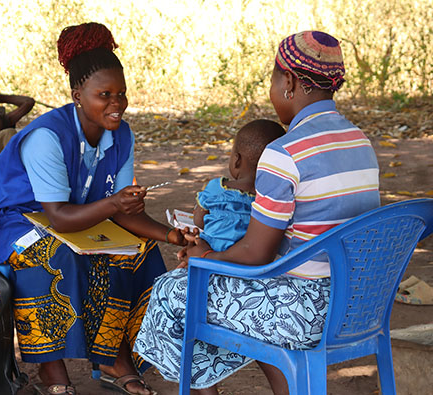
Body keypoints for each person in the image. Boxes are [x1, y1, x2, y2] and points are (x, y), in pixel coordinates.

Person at [134, 31, 381, 395]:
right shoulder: (360, 142)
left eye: (273, 79)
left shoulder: (284, 153)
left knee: (173, 292)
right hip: (359, 304)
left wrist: (207, 256)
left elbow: (255, 254)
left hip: (305, 314)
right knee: (243, 289)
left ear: (289, 83)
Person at [0, 22, 185, 395]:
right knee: (55, 254)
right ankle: (52, 369)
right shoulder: (47, 137)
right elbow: (61, 217)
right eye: (104, 94)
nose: (116, 104)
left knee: (138, 251)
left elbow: (123, 212)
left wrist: (171, 234)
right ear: (77, 94)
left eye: (121, 93)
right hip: (13, 221)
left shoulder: (121, 135)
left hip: (75, 216)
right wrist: (114, 202)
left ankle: (115, 356)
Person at [193, 119, 285, 252]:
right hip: (252, 265)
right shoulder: (273, 197)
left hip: (210, 258)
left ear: (236, 160)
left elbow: (199, 221)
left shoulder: (216, 187)